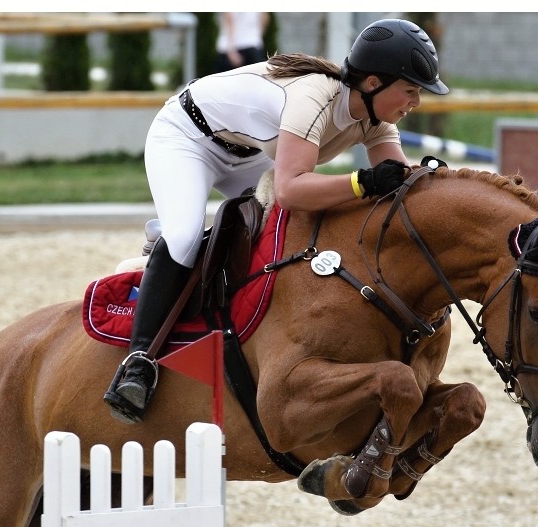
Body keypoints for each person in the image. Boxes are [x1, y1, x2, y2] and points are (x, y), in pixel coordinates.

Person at [103, 18, 449, 424]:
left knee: (287, 234)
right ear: (373, 83)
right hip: (188, 137)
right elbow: (290, 189)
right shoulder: (314, 100)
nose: (417, 102)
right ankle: (139, 361)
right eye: (410, 91)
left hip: (249, 154)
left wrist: (431, 181)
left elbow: (396, 182)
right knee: (184, 238)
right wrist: (361, 181)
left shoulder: (375, 117)